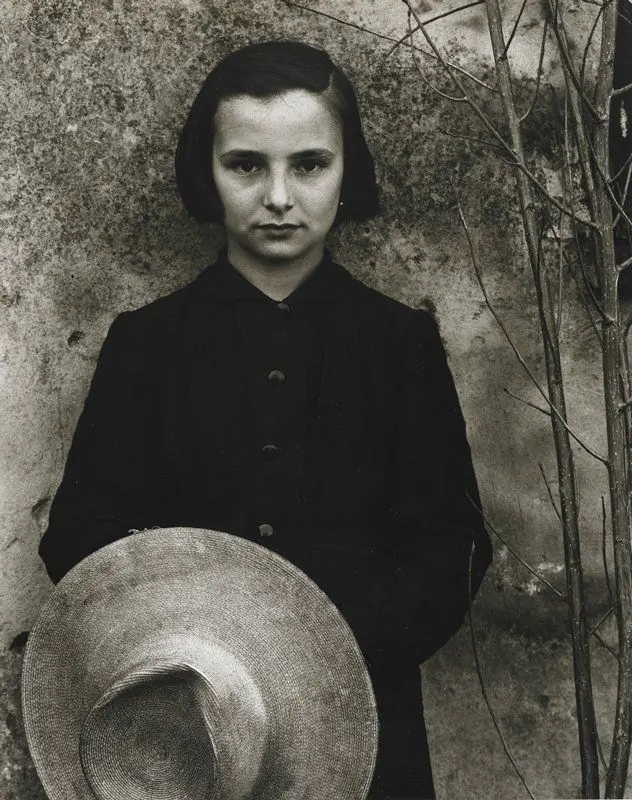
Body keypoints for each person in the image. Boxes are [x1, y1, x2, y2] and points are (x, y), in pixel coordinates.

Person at [38, 40, 492, 799]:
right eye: (246, 164)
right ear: (205, 173)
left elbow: (455, 543)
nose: (279, 196)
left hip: (362, 715)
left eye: (309, 164)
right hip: (189, 735)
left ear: (348, 174)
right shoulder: (147, 344)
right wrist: (197, 636)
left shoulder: (398, 345)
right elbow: (80, 537)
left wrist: (324, 647)